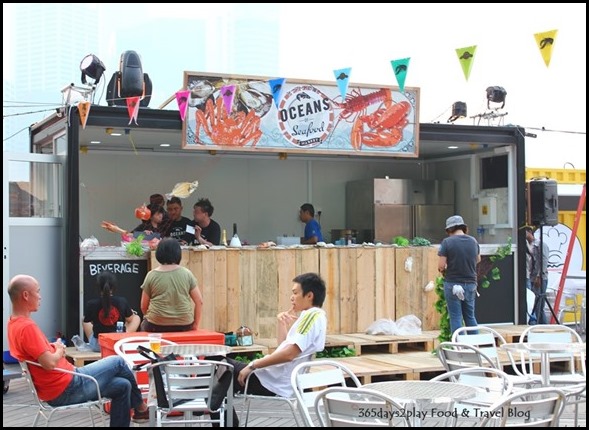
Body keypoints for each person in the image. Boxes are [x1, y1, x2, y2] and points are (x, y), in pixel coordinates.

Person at [7, 274, 149, 426]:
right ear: (26, 295)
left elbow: (39, 354)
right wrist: (59, 350)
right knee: (118, 362)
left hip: (59, 386)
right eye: (38, 291)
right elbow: (49, 363)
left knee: (123, 385)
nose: (40, 296)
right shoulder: (27, 327)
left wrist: (54, 347)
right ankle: (142, 408)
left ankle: (139, 410)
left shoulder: (13, 324)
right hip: (67, 387)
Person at [213, 272, 327, 426]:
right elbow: (284, 348)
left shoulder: (311, 317)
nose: (291, 298)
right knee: (218, 375)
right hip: (273, 378)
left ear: (309, 296)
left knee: (215, 365)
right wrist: (282, 324)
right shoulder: (311, 316)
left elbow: (289, 355)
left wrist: (253, 365)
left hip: (271, 381)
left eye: (295, 293)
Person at [140, 238, 203, 332]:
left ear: (158, 254)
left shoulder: (151, 275)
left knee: (143, 325)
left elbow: (143, 306)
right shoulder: (187, 274)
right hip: (185, 324)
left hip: (156, 325)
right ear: (178, 254)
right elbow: (199, 301)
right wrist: (196, 324)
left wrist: (153, 318)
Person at [437, 215, 481, 336]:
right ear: (463, 227)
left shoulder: (447, 242)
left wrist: (445, 268)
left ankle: (459, 345)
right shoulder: (473, 241)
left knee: (456, 317)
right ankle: (474, 344)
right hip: (471, 284)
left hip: (453, 284)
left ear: (449, 229)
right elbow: (478, 259)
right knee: (470, 317)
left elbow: (441, 265)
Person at [83, 270, 141, 352]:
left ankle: (93, 342)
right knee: (136, 318)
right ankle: (124, 338)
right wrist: (131, 313)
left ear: (98, 287)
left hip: (98, 346)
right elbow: (130, 319)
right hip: (118, 344)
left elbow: (88, 321)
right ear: (114, 287)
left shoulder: (91, 304)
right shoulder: (122, 301)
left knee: (84, 319)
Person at [527, 226, 549, 324]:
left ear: (530, 232)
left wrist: (539, 276)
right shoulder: (527, 245)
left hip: (540, 277)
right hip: (531, 277)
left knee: (539, 306)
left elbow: (544, 261)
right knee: (533, 304)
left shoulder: (541, 245)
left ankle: (544, 326)